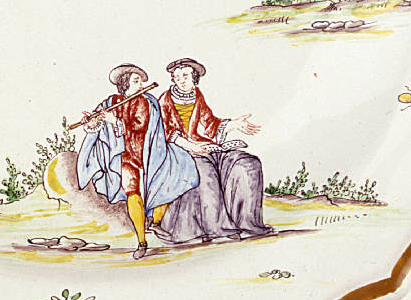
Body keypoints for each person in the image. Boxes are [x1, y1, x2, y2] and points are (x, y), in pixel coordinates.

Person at [76, 64, 199, 259]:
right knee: (132, 193)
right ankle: (142, 242)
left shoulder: (146, 102)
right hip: (125, 157)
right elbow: (97, 123)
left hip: (149, 154)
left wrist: (115, 121)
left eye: (141, 81)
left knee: (175, 176)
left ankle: (154, 222)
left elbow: (138, 128)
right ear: (125, 83)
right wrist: (92, 122)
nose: (141, 85)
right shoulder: (110, 101)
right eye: (136, 81)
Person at [154, 58, 274, 242]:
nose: (181, 80)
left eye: (185, 76)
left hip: (201, 145)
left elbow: (210, 123)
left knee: (246, 163)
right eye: (176, 77)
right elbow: (166, 133)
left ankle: (248, 223)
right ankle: (217, 228)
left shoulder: (197, 95)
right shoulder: (165, 100)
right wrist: (193, 147)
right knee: (205, 171)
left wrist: (234, 125)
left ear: (194, 77)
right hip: (178, 150)